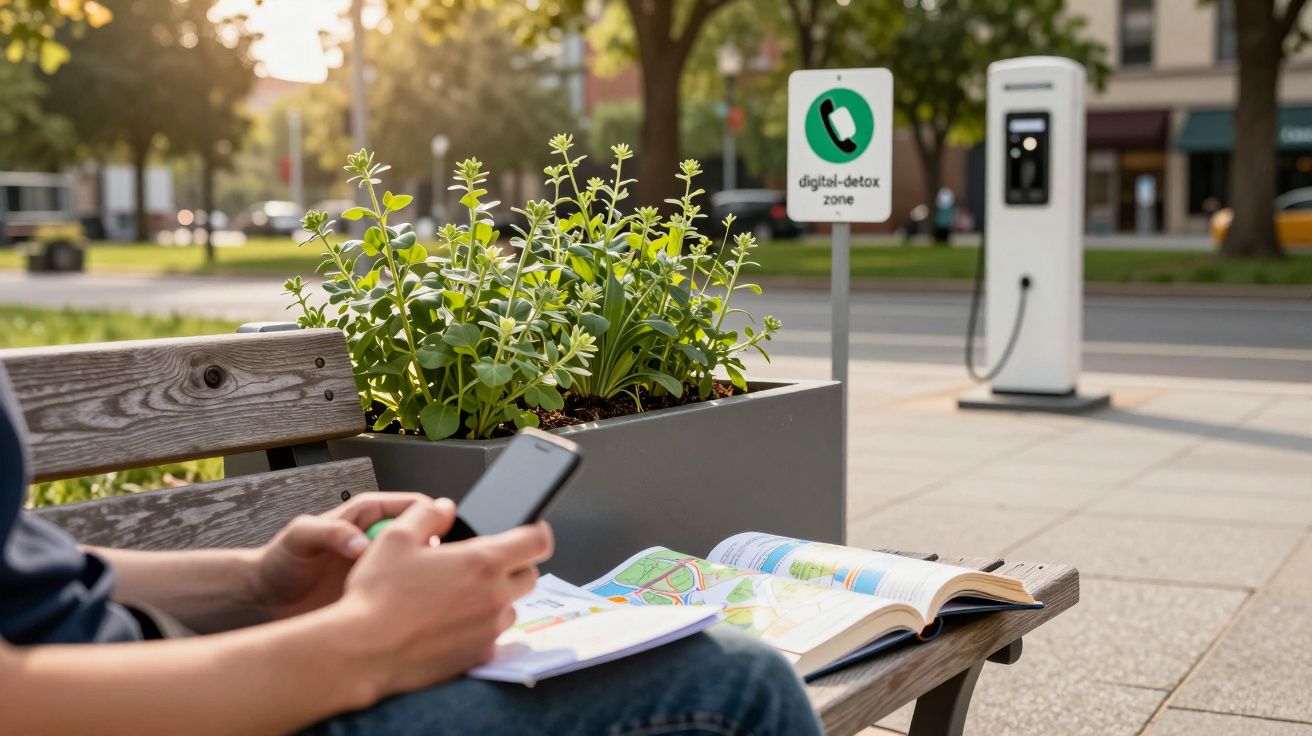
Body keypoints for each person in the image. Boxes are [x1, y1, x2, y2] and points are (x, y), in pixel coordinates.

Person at [0, 360, 822, 736]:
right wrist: (361, 648)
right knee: (737, 684)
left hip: (174, 674)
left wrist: (260, 583)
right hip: (188, 711)